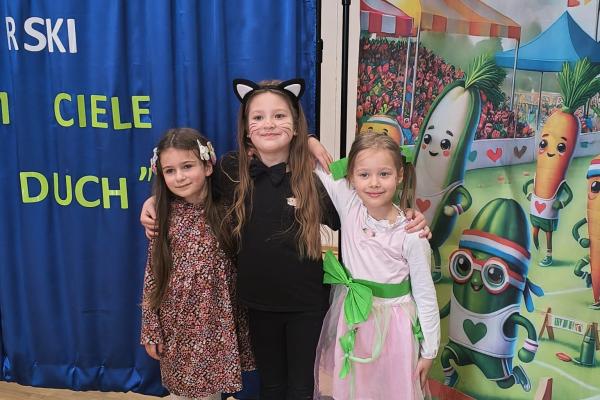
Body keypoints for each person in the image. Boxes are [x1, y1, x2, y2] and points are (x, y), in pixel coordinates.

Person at [140, 79, 430, 399]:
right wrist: (154, 201)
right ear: (246, 128)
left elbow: (370, 190)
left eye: (279, 116)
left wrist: (408, 216)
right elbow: (192, 188)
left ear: (295, 125)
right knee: (271, 386)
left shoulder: (317, 177)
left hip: (307, 304)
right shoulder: (231, 170)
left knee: (302, 388)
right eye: (258, 117)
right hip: (256, 303)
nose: (268, 124)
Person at [314, 132, 440, 399]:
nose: (374, 183)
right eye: (364, 174)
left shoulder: (412, 234)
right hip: (355, 319)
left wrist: (430, 351)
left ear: (400, 175)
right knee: (357, 389)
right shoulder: (349, 202)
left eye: (384, 174)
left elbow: (425, 295)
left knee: (392, 390)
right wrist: (310, 141)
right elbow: (316, 164)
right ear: (351, 176)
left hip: (396, 329)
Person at [140, 128, 254, 400]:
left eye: (187, 166)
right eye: (170, 171)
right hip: (179, 325)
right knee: (185, 392)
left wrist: (308, 143)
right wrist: (151, 329)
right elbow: (153, 274)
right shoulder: (163, 217)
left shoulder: (230, 210)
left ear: (207, 166)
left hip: (219, 323)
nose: (179, 177)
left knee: (212, 392)